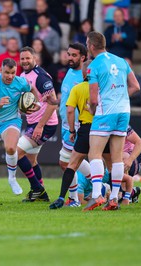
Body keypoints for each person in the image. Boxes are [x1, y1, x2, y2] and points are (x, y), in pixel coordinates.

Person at [83, 31, 140, 211]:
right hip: (124, 112)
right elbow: (136, 86)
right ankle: (114, 198)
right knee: (116, 158)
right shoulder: (122, 61)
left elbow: (93, 99)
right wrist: (120, 97)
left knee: (94, 154)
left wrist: (93, 110)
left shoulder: (94, 65)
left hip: (105, 112)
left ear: (91, 46)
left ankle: (96, 195)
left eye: (87, 43)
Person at [0, 58, 39, 206]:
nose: (10, 76)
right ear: (0, 71)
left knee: (11, 147)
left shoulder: (21, 82)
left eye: (12, 73)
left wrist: (35, 103)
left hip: (11, 120)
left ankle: (12, 178)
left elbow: (32, 90)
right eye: (6, 73)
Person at [48, 43, 89, 208]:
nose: (70, 58)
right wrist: (56, 102)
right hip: (66, 125)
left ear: (83, 57)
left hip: (77, 126)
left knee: (67, 163)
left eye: (74, 55)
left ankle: (74, 199)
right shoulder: (69, 72)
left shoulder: (85, 76)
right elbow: (68, 98)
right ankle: (102, 184)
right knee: (69, 163)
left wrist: (74, 127)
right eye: (68, 54)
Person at [15, 46, 58, 202]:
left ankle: (37, 189)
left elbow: (53, 104)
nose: (25, 61)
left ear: (35, 58)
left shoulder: (40, 77)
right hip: (33, 123)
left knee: (16, 153)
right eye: (22, 59)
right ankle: (41, 194)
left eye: (28, 58)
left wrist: (40, 126)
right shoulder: (22, 75)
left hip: (44, 124)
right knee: (31, 160)